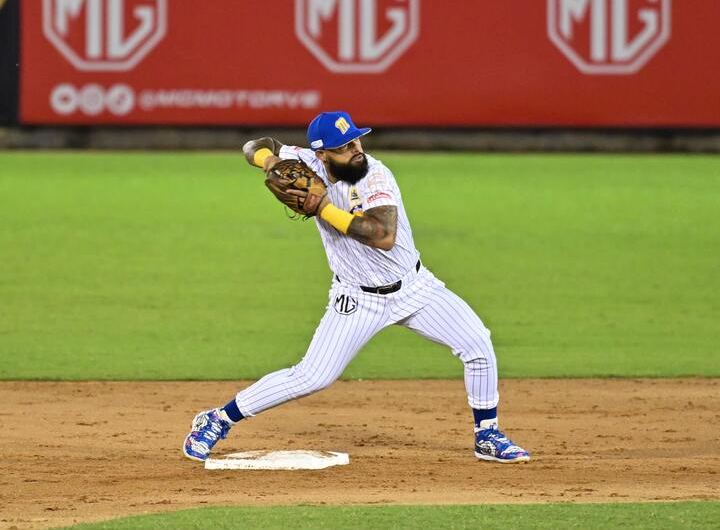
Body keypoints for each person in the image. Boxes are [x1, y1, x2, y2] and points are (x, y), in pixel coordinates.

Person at [183, 111, 530, 464]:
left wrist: (322, 206)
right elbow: (253, 145)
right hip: (357, 299)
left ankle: (487, 435)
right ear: (322, 154)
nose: (355, 149)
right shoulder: (304, 161)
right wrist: (270, 160)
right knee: (312, 376)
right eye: (344, 146)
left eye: (356, 140)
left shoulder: (375, 174)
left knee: (477, 343)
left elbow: (383, 236)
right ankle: (217, 419)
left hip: (415, 288)